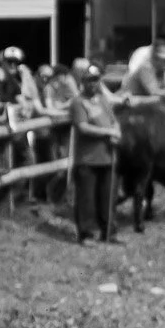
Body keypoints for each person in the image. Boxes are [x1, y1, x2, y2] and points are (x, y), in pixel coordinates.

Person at [69, 64, 121, 245]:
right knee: (87, 199)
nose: (93, 84)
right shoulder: (78, 102)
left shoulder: (103, 99)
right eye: (89, 80)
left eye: (96, 80)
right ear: (83, 82)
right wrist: (108, 133)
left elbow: (114, 121)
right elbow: (83, 127)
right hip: (87, 159)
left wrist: (116, 131)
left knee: (107, 198)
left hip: (107, 157)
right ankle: (87, 234)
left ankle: (109, 232)